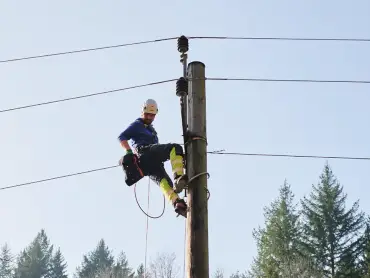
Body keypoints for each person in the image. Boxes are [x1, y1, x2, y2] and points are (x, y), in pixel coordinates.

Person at [118, 99, 188, 217]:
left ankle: (177, 203)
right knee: (174, 149)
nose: (149, 117)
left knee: (165, 182)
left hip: (150, 164)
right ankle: (179, 177)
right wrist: (129, 151)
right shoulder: (137, 125)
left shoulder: (151, 130)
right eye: (147, 114)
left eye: (152, 115)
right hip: (145, 153)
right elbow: (122, 136)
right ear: (142, 112)